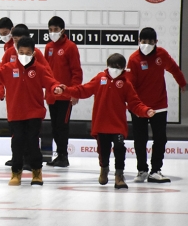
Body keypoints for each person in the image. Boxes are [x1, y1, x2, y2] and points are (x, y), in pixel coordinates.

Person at [61, 53, 154, 189]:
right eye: (111, 66)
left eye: (117, 67)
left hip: (118, 125)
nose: (114, 69)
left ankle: (119, 175)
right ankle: (104, 168)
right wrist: (67, 90)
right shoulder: (100, 78)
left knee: (119, 149)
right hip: (101, 123)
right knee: (103, 150)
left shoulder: (126, 84)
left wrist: (146, 111)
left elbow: (135, 103)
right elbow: (84, 90)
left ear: (123, 68)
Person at [0, 37, 64, 186]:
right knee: (17, 142)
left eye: (28, 52)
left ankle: (36, 171)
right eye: (21, 52)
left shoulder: (39, 70)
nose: (24, 55)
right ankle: (16, 172)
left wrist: (56, 88)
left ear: (33, 53)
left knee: (33, 142)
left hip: (34, 112)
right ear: (17, 51)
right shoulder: (9, 68)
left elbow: (51, 82)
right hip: (15, 113)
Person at [127, 27, 186, 183]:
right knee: (140, 139)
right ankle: (142, 170)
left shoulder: (162, 55)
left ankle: (155, 170)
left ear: (156, 42)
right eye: (144, 41)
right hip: (139, 106)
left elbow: (173, 68)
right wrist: (131, 104)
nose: (146, 44)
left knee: (160, 138)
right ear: (139, 41)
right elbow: (130, 85)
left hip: (159, 105)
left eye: (150, 42)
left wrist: (182, 83)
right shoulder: (133, 59)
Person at [0, 24, 47, 169]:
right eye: (14, 39)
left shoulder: (36, 53)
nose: (16, 42)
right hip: (15, 101)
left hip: (32, 102)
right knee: (16, 135)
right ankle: (17, 159)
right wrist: (0, 88)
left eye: (19, 39)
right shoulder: (9, 52)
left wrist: (51, 91)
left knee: (31, 136)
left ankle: (31, 160)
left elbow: (47, 74)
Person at [44, 16, 83, 168]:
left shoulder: (70, 47)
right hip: (52, 94)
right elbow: (45, 71)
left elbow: (76, 71)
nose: (53, 32)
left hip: (66, 95)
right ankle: (58, 155)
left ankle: (63, 156)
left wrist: (75, 92)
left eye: (56, 30)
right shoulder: (48, 47)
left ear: (63, 30)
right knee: (54, 126)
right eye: (51, 30)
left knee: (62, 126)